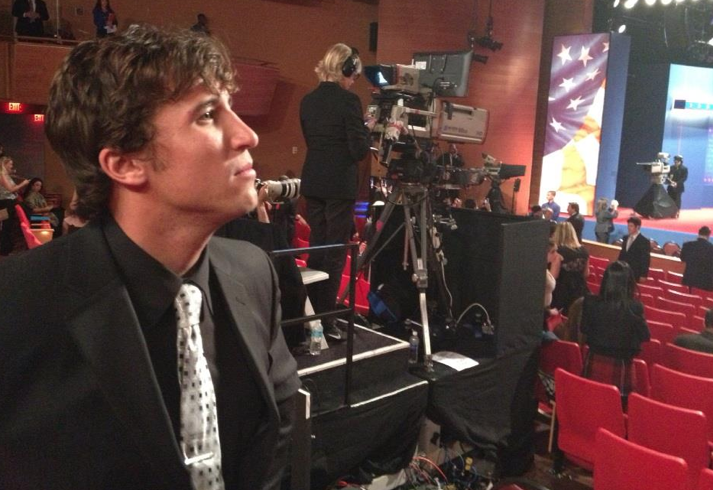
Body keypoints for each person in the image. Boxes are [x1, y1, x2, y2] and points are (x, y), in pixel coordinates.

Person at [0, 25, 300, 490]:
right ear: (125, 164)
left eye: (231, 108)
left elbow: (275, 441)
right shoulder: (15, 304)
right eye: (206, 115)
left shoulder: (254, 270)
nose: (247, 136)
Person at [299, 43, 374, 340]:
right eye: (352, 75)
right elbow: (358, 151)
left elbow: (311, 140)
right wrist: (366, 127)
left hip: (313, 181)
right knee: (334, 254)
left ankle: (312, 313)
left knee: (317, 248)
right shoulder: (349, 102)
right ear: (344, 69)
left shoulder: (307, 100)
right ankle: (327, 321)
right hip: (338, 185)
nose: (352, 81)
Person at [581, 261, 650, 401]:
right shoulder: (635, 307)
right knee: (617, 409)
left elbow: (584, 329)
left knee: (590, 401)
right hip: (621, 365)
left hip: (593, 359)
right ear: (629, 283)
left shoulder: (590, 302)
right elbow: (645, 336)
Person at [551, 222, 589, 315]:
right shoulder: (584, 250)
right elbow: (586, 273)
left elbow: (553, 276)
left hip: (562, 293)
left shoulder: (558, 251)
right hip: (580, 291)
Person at [0, 156, 30, 256]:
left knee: (10, 225)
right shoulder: (1, 174)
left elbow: (13, 189)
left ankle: (9, 247)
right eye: (10, 164)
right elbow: (10, 190)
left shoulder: (6, 175)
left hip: (10, 201)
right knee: (6, 225)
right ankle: (5, 249)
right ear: (4, 164)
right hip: (5, 202)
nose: (12, 166)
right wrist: (23, 183)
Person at [680, 226, 713, 292]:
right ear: (708, 235)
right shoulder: (711, 249)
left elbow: (683, 258)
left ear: (698, 233)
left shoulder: (687, 245)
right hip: (705, 284)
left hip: (688, 280)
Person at [618, 216, 651, 282]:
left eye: (631, 226)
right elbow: (622, 254)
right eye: (628, 226)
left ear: (637, 227)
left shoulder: (644, 241)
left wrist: (643, 275)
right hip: (623, 272)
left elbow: (645, 259)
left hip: (635, 273)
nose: (628, 228)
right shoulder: (625, 238)